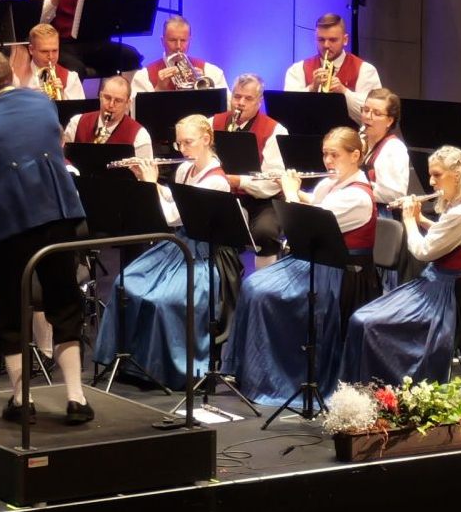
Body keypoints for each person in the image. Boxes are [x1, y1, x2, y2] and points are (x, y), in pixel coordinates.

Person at [0, 49, 91, 422]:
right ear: (11, 75)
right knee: (64, 300)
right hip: (57, 213)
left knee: (8, 305)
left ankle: (22, 400)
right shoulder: (43, 102)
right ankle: (77, 398)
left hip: (10, 221)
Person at [227, 127, 377, 407]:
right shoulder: (330, 184)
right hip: (316, 263)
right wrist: (297, 191)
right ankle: (250, 372)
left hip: (340, 274)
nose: (328, 161)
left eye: (334, 155)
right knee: (253, 285)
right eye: (325, 154)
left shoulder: (358, 196)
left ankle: (277, 377)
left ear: (355, 155)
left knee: (263, 293)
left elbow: (305, 225)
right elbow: (319, 204)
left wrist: (290, 192)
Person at [94, 115, 234, 390]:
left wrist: (150, 184)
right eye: (179, 143)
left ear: (206, 139)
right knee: (125, 283)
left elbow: (173, 217)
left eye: (188, 142)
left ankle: (163, 369)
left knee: (162, 299)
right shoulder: (185, 169)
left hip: (202, 255)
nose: (182, 149)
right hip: (178, 245)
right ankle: (130, 361)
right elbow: (172, 197)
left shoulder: (217, 181)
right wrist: (148, 181)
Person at [340, 145, 461, 386]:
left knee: (367, 322)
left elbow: (423, 252)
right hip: (436, 284)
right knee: (362, 318)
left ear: (457, 174)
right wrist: (421, 219)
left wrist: (409, 221)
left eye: (437, 175)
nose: (431, 182)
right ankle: (369, 388)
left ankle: (385, 389)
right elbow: (449, 236)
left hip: (450, 296)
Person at [215, 75, 288, 262]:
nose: (240, 103)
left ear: (259, 101)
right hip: (224, 195)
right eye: (237, 96)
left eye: (248, 98)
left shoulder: (275, 130)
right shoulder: (213, 122)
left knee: (265, 232)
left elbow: (273, 180)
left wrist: (239, 181)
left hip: (263, 200)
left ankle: (264, 279)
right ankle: (225, 274)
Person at [283, 13, 382, 122]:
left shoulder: (366, 70)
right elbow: (288, 110)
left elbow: (373, 117)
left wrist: (344, 92)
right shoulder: (297, 69)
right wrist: (311, 88)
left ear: (345, 40)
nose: (326, 45)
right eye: (321, 39)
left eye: (333, 40)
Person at [63, 75, 153, 160]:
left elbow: (146, 171)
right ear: (100, 96)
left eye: (118, 100)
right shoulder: (76, 123)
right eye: (107, 98)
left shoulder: (140, 136)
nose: (111, 105)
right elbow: (63, 159)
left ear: (128, 103)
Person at [129, 16, 227, 94]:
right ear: (162, 41)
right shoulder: (144, 75)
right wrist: (159, 89)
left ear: (190, 41)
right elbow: (137, 110)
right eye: (172, 40)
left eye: (183, 40)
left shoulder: (209, 70)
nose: (178, 46)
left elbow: (225, 105)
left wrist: (206, 90)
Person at [359, 87, 411, 209]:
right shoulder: (360, 139)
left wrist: (355, 187)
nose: (368, 116)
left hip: (382, 215)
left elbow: (394, 195)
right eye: (366, 110)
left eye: (377, 113)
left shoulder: (394, 149)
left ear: (389, 121)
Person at [10, 23, 85, 101]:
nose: (51, 57)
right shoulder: (15, 78)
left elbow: (79, 109)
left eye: (55, 50)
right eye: (44, 51)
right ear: (31, 49)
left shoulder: (71, 79)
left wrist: (62, 96)